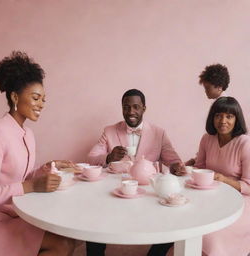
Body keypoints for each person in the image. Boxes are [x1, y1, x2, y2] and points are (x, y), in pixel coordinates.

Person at [0, 51, 77, 256]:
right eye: (36, 97)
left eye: (43, 99)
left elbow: (24, 177)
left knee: (68, 238)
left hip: (17, 214)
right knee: (62, 245)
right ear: (15, 97)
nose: (42, 104)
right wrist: (31, 186)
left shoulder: (28, 134)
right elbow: (25, 185)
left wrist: (48, 167)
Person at [86, 89, 186, 256]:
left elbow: (173, 159)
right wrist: (109, 157)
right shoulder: (109, 131)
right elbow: (90, 158)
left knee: (176, 220)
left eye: (135, 107)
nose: (130, 112)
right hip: (115, 192)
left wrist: (176, 166)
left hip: (148, 194)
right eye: (126, 107)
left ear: (144, 108)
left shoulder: (158, 133)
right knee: (93, 219)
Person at [168, 96, 250, 256]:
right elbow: (199, 168)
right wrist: (185, 169)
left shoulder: (245, 144)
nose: (223, 121)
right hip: (212, 196)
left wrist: (224, 179)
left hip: (241, 202)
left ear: (237, 119)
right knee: (184, 218)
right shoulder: (207, 139)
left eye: (229, 116)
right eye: (218, 115)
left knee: (211, 234)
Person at [185, 63, 230, 166]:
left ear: (219, 87)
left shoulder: (222, 105)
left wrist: (195, 160)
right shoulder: (219, 102)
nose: (205, 91)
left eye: (208, 88)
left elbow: (215, 136)